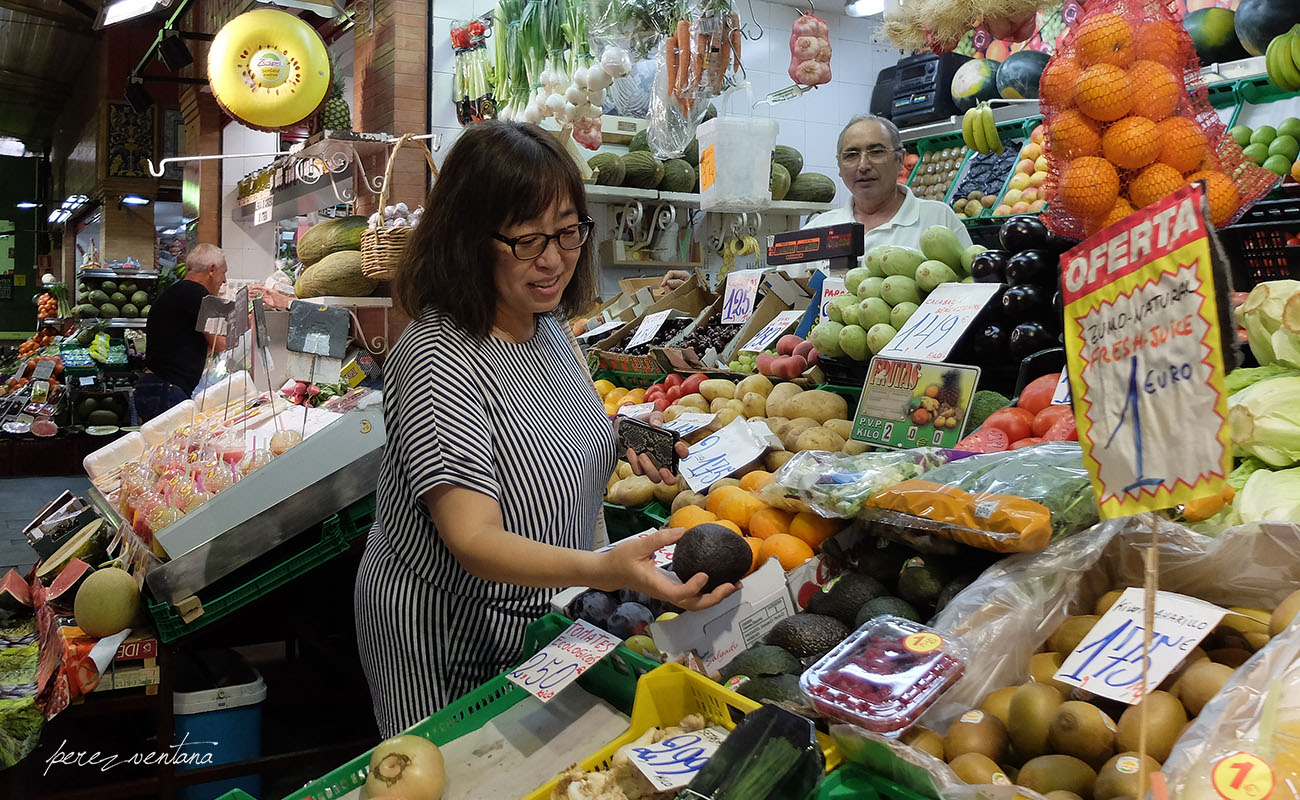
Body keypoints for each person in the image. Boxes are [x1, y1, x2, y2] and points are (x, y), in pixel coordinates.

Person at [354, 121, 737, 737]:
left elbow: (553, 423)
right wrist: (607, 570)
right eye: (528, 240)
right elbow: (473, 539)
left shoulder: (549, 324)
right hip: (450, 629)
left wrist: (629, 438)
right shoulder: (437, 360)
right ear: (467, 239)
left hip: (543, 611)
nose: (553, 259)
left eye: (566, 232)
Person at [808, 114, 973, 257]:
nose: (863, 165)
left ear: (900, 160)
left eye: (876, 152)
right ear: (839, 166)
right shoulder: (819, 229)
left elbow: (971, 286)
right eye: (851, 155)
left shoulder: (938, 219)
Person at [135, 244, 227, 422]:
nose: (224, 281)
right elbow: (219, 343)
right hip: (166, 390)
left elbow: (205, 345)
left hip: (156, 387)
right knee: (172, 447)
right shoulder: (196, 293)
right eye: (223, 273)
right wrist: (249, 324)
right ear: (212, 269)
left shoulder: (179, 291)